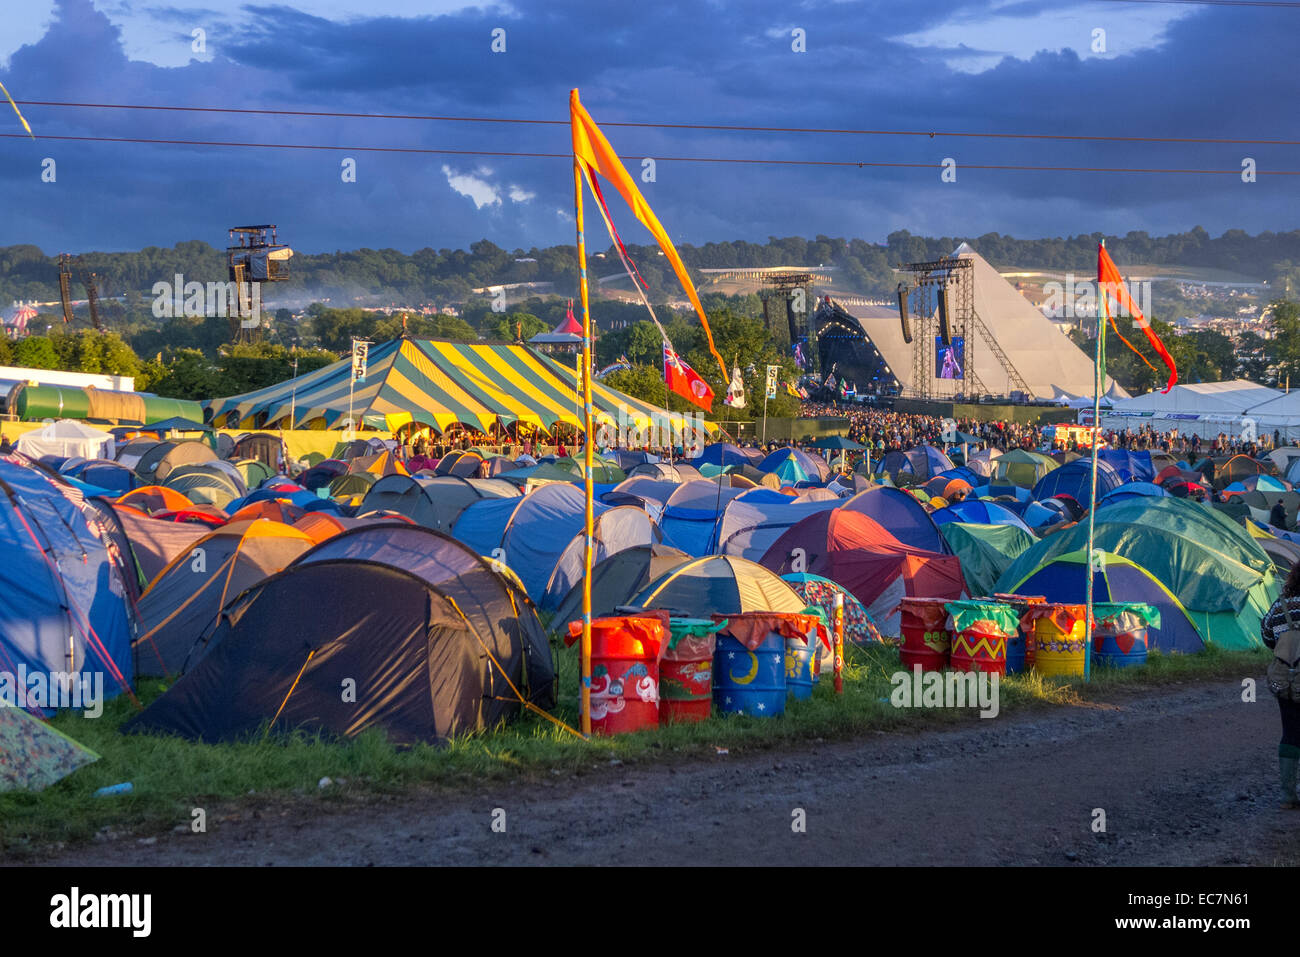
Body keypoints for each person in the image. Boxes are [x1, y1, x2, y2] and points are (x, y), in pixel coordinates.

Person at [1261, 563, 1300, 808]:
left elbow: (1267, 636)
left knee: (1290, 731)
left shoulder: (1279, 606)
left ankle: (1287, 795)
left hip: (1285, 677)